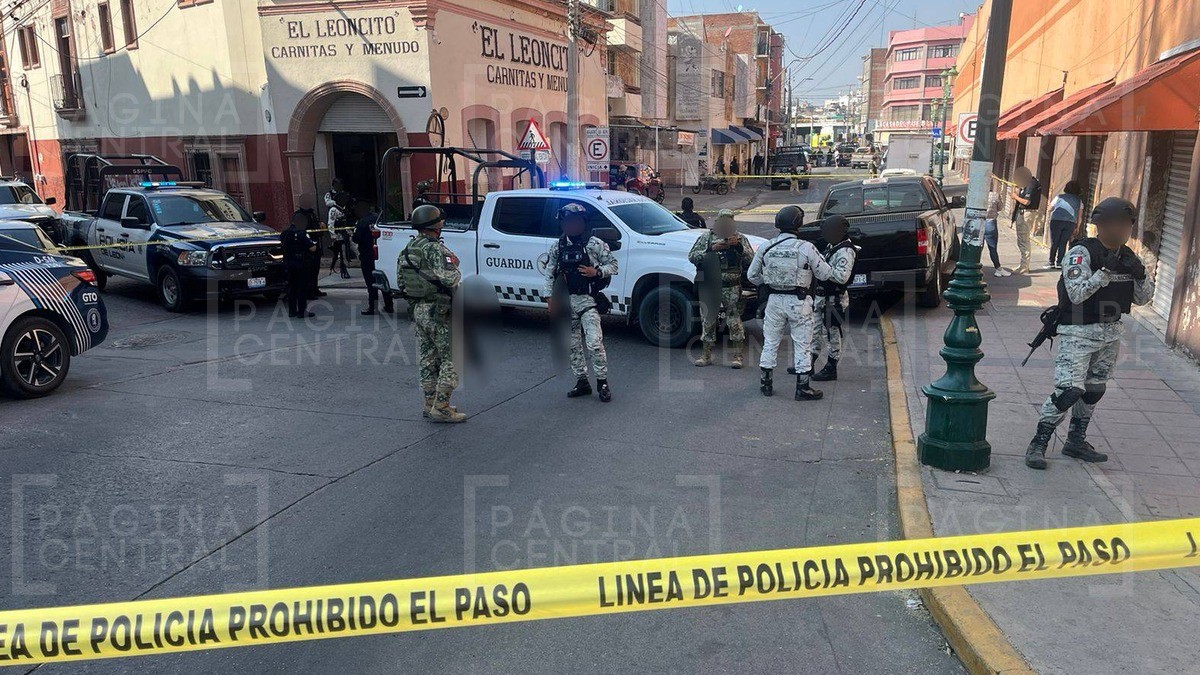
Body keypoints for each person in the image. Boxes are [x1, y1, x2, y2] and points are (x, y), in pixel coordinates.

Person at [1024, 197, 1155, 470]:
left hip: (1110, 334)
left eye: (1126, 225)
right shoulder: (1082, 253)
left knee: (1094, 390)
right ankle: (1038, 443)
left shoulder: (1129, 256)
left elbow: (1142, 299)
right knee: (1069, 391)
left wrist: (1141, 274)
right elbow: (1076, 293)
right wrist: (1104, 271)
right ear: (1100, 225)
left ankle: (1075, 440)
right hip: (1078, 333)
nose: (1121, 230)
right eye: (1115, 224)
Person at [747, 205, 834, 401]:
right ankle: (802, 388)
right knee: (803, 344)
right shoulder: (806, 248)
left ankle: (766, 383)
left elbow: (752, 275)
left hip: (774, 301)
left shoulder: (766, 246)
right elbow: (825, 273)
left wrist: (767, 282)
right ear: (798, 224)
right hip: (799, 301)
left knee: (770, 342)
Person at [397, 205, 466, 423]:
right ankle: (442, 407)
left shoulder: (407, 249)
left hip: (419, 310)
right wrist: (455, 266)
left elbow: (401, 283)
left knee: (428, 358)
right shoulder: (435, 249)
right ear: (435, 225)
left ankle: (429, 404)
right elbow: (451, 278)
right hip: (440, 309)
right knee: (452, 357)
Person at [544, 203, 618, 402]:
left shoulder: (595, 244)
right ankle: (582, 382)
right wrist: (549, 299)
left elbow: (613, 265)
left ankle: (602, 383)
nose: (571, 226)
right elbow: (549, 273)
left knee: (594, 343)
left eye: (575, 222)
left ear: (583, 223)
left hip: (588, 301)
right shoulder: (557, 246)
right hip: (565, 303)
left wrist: (597, 272)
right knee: (572, 345)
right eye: (567, 222)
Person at [688, 209, 752, 369]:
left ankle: (738, 357)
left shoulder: (739, 238)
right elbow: (692, 256)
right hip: (710, 285)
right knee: (708, 321)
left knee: (734, 320)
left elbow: (751, 258)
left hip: (732, 286)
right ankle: (706, 355)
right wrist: (711, 249)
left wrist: (738, 247)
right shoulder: (707, 237)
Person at [810, 215, 859, 382]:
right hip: (822, 297)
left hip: (834, 299)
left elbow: (842, 277)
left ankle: (831, 367)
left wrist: (821, 267)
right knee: (814, 331)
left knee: (831, 334)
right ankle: (808, 364)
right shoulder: (833, 245)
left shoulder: (846, 250)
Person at [352, 200, 393, 316]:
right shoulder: (378, 218)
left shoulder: (361, 222)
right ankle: (389, 304)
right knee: (383, 279)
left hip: (367, 254)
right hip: (381, 253)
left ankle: (373, 307)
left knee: (371, 282)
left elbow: (356, 238)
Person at [280, 212, 316, 318]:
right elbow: (312, 248)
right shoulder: (301, 232)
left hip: (288, 263)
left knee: (291, 287)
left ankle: (292, 311)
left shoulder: (285, 233)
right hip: (300, 263)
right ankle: (301, 311)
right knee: (301, 287)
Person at [293, 195, 327, 299]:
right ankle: (308, 292)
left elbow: (316, 230)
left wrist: (321, 228)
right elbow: (300, 233)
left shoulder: (312, 214)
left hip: (315, 244)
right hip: (306, 247)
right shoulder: (298, 215)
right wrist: (309, 244)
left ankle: (314, 289)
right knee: (308, 271)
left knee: (315, 269)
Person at [1010, 167, 1041, 274]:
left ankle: (1024, 267)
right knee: (1022, 240)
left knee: (1023, 240)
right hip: (1025, 213)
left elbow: (1026, 202)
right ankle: (1023, 265)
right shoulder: (1029, 183)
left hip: (1026, 213)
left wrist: (1015, 197)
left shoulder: (1031, 184)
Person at [1047, 181, 1084, 269]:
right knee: (1063, 243)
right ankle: (1059, 262)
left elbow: (1049, 209)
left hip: (1056, 221)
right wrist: (1077, 227)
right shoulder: (1079, 201)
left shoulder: (1059, 197)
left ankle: (1051, 262)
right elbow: (1080, 216)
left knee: (1054, 242)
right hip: (1070, 223)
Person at [985, 182, 1010, 277]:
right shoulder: (995, 196)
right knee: (992, 248)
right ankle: (998, 268)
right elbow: (1000, 208)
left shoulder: (977, 196)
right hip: (991, 222)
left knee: (977, 247)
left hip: (979, 222)